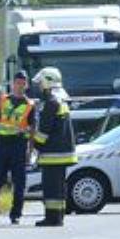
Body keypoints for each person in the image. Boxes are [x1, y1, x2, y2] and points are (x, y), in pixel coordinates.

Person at [0, 71, 36, 225]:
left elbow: (32, 129)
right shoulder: (1, 100)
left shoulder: (30, 105)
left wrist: (30, 150)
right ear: (13, 83)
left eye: (23, 83)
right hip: (2, 145)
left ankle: (16, 214)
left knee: (19, 182)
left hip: (19, 146)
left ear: (26, 85)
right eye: (17, 82)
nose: (20, 85)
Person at [31, 67, 76, 227]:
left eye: (40, 83)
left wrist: (33, 142)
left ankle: (52, 218)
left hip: (53, 154)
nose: (39, 87)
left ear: (47, 83)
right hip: (62, 153)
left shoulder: (51, 102)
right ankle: (59, 216)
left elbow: (43, 132)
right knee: (59, 187)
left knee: (51, 188)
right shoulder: (60, 100)